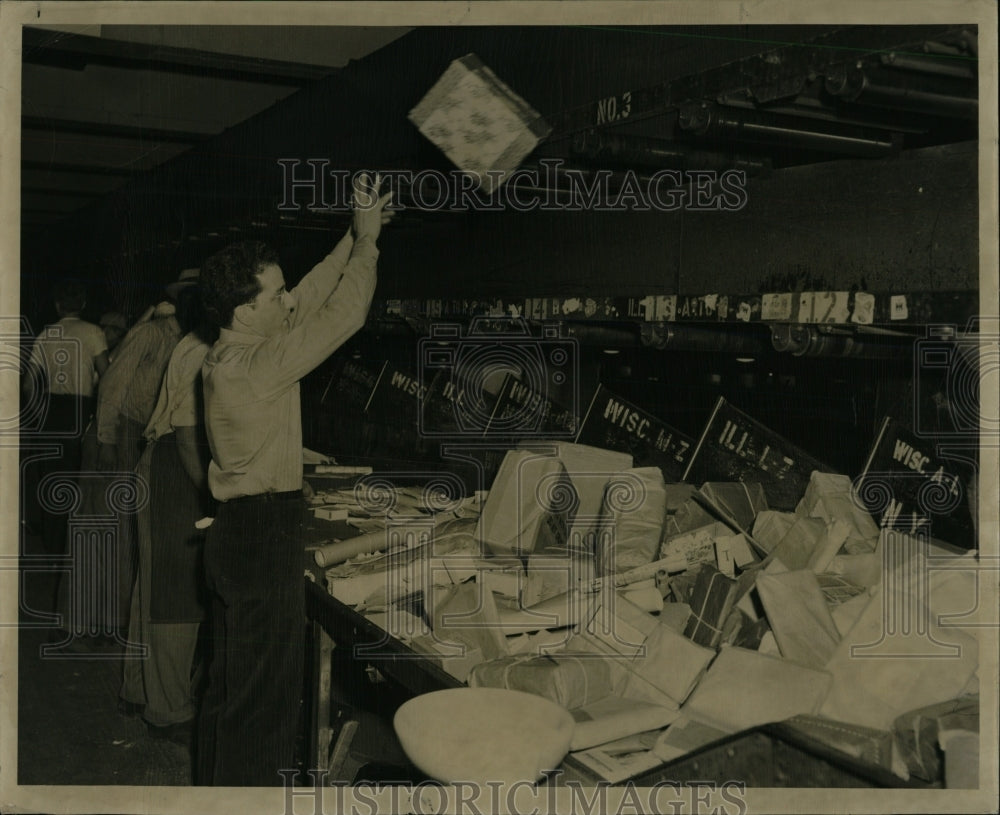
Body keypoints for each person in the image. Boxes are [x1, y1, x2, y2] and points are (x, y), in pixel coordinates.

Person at [196, 174, 392, 786]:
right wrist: (367, 247)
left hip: (237, 534)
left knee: (231, 693)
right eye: (273, 294)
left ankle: (212, 796)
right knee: (265, 708)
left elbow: (305, 299)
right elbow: (343, 315)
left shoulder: (236, 346)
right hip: (261, 538)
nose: (286, 301)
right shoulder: (254, 367)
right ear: (245, 307)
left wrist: (353, 234)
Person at [119, 306, 214, 744]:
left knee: (153, 587)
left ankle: (140, 691)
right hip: (177, 465)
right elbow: (191, 434)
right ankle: (169, 709)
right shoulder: (204, 349)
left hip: (165, 462)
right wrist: (216, 496)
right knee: (176, 590)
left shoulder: (195, 341)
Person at [22, 280, 109, 608]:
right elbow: (108, 376)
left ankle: (56, 559)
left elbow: (29, 383)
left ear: (58, 306)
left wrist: (37, 413)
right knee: (79, 484)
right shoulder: (94, 332)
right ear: (83, 303)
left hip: (51, 413)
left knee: (53, 484)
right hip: (81, 411)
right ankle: (77, 561)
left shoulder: (47, 334)